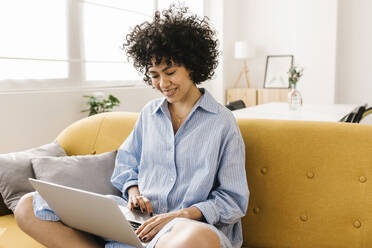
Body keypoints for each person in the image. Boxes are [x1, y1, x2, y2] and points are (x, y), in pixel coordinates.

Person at [14, 5, 249, 248]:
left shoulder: (221, 123)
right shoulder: (149, 114)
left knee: (194, 239)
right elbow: (126, 164)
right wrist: (134, 192)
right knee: (29, 205)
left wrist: (179, 215)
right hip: (136, 222)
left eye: (170, 72)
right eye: (155, 75)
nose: (163, 83)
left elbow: (233, 200)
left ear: (192, 66)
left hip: (184, 228)